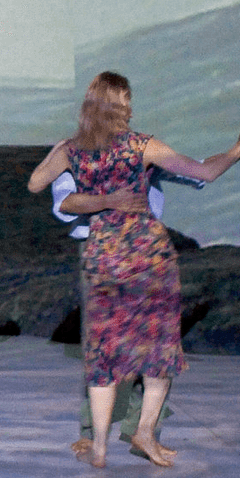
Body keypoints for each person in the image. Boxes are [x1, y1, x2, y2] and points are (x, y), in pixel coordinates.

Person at [27, 71, 240, 469]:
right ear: (121, 103)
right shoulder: (142, 145)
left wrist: (79, 172)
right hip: (146, 255)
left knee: (104, 352)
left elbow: (35, 184)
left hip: (103, 253)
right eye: (127, 99)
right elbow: (204, 172)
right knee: (158, 349)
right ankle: (145, 433)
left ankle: (100, 447)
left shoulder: (71, 150)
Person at [50, 168, 199, 457]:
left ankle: (143, 433)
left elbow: (194, 171)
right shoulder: (79, 155)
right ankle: (93, 434)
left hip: (146, 247)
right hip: (102, 246)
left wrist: (235, 152)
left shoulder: (144, 152)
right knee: (104, 347)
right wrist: (108, 200)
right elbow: (64, 202)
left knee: (155, 346)